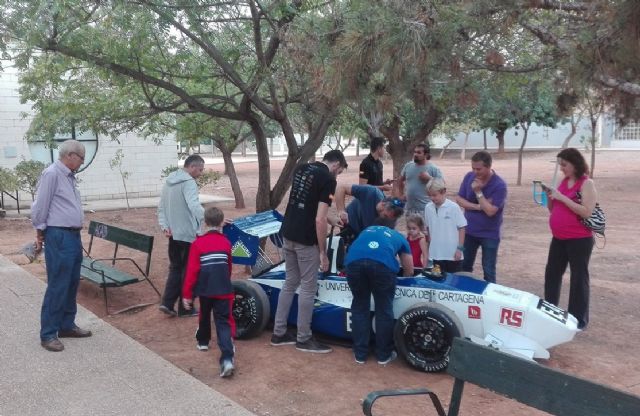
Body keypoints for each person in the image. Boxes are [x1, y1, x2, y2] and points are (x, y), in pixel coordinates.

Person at [270, 150, 347, 353]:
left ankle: (278, 332)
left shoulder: (302, 168)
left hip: (288, 232)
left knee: (290, 282)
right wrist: (322, 253)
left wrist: (332, 219)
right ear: (336, 165)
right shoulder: (328, 180)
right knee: (308, 287)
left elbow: (307, 205)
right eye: (338, 172)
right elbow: (318, 219)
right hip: (305, 239)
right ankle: (303, 337)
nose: (337, 176)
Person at [31, 139, 92, 352]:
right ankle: (48, 333)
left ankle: (66, 325)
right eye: (81, 158)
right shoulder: (52, 174)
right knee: (58, 283)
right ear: (70, 156)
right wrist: (40, 232)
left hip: (73, 236)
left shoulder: (68, 176)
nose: (82, 162)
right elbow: (40, 207)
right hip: (59, 236)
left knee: (72, 281)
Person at [344, 217, 414, 365]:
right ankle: (383, 355)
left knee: (359, 306)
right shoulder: (398, 236)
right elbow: (409, 268)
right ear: (392, 227)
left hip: (353, 264)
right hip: (382, 266)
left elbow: (352, 250)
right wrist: (406, 278)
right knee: (384, 308)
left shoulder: (365, 231)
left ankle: (360, 354)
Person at [543, 148, 596, 330]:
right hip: (559, 238)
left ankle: (577, 318)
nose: (562, 169)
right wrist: (550, 197)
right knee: (552, 274)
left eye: (564, 165)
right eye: (560, 165)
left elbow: (587, 212)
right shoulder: (563, 181)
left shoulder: (586, 183)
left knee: (578, 277)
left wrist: (562, 198)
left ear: (575, 164)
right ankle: (549, 311)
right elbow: (554, 210)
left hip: (579, 239)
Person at [182, 206, 236, 378]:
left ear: (205, 222)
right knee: (223, 322)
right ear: (221, 222)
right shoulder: (226, 243)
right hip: (223, 288)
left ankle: (203, 342)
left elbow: (192, 272)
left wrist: (187, 295)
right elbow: (228, 267)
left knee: (204, 314)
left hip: (205, 289)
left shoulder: (198, 244)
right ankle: (227, 358)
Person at [158, 155, 205, 317]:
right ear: (192, 167)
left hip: (174, 234)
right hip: (188, 235)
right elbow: (194, 205)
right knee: (189, 271)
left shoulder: (169, 181)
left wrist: (164, 226)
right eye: (200, 170)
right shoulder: (189, 183)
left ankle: (167, 303)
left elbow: (161, 207)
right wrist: (212, 218)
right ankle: (186, 308)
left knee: (176, 269)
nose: (200, 173)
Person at [455, 151, 507, 283]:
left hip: (489, 234)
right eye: (473, 168)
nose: (475, 171)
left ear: (489, 166)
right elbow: (459, 199)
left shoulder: (499, 185)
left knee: (488, 270)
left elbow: (490, 211)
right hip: (469, 231)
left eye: (479, 169)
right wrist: (480, 206)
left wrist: (478, 192)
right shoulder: (469, 177)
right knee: (464, 267)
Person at [334, 184, 405, 245]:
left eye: (389, 218)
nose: (385, 219)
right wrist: (341, 211)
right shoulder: (370, 192)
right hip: (350, 224)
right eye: (385, 216)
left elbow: (387, 238)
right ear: (383, 204)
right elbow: (341, 188)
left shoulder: (390, 219)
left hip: (366, 234)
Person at [424, 178, 467, 273]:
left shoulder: (453, 207)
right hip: (436, 255)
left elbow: (462, 228)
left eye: (434, 195)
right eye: (430, 195)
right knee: (438, 280)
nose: (432, 198)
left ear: (443, 192)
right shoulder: (428, 208)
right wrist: (430, 248)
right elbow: (428, 227)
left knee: (454, 282)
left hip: (452, 255)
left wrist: (459, 249)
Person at [398, 143, 443, 215]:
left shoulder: (433, 169)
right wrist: (401, 194)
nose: (415, 154)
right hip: (409, 209)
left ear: (426, 155)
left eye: (419, 152)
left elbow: (442, 186)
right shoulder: (408, 166)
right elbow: (400, 180)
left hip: (426, 209)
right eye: (415, 152)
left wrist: (429, 178)